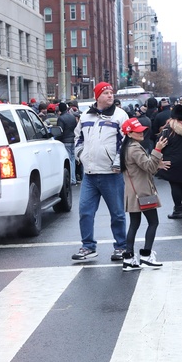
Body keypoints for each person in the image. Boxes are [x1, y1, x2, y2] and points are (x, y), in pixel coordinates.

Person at [71, 82, 129, 262]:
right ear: (97, 97)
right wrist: (80, 154)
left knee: (117, 213)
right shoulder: (86, 115)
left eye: (111, 93)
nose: (110, 95)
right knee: (85, 212)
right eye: (106, 93)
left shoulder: (120, 115)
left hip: (111, 173)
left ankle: (121, 246)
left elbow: (126, 141)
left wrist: (118, 162)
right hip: (89, 173)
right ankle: (88, 246)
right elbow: (78, 137)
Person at [120, 118, 168, 271]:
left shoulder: (128, 147)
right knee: (153, 222)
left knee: (135, 224)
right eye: (138, 131)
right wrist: (158, 150)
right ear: (129, 134)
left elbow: (145, 167)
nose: (142, 133)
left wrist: (156, 162)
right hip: (142, 192)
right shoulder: (134, 148)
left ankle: (129, 258)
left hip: (133, 191)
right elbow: (149, 167)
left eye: (142, 130)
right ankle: (146, 255)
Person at [157, 103, 182, 219]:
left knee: (175, 185)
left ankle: (178, 210)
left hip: (172, 162)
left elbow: (161, 144)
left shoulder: (168, 129)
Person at [55, 102, 78, 185]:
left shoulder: (61, 118)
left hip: (65, 141)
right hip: (73, 140)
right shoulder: (72, 117)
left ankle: (71, 179)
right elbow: (76, 128)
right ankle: (73, 178)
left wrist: (56, 139)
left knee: (68, 160)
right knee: (72, 159)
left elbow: (59, 131)